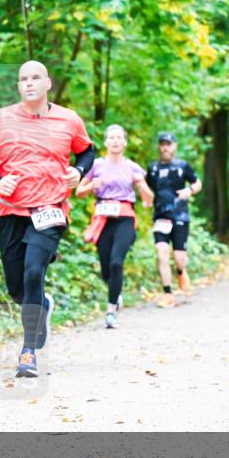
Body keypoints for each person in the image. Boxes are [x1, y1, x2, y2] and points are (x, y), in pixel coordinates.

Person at [0, 60, 95, 377]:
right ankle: (42, 305)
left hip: (50, 209)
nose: (29, 83)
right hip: (10, 210)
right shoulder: (1, 119)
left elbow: (87, 152)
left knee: (32, 271)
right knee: (17, 287)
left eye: (35, 77)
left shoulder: (69, 120)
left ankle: (28, 353)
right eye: (23, 78)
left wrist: (78, 171)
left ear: (47, 83)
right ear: (18, 86)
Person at [77, 125, 153, 329]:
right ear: (106, 142)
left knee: (117, 263)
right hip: (103, 218)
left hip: (125, 217)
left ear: (125, 142)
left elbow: (148, 199)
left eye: (119, 137)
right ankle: (115, 292)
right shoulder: (96, 165)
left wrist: (142, 185)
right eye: (112, 137)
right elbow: (79, 192)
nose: (116, 141)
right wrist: (92, 185)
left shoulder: (133, 167)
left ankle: (111, 312)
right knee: (106, 268)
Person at [145, 132, 202, 308]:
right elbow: (147, 189)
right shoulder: (153, 168)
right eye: (162, 144)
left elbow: (197, 183)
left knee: (179, 258)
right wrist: (147, 200)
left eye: (168, 144)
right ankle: (168, 294)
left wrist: (189, 190)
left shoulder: (183, 166)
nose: (165, 147)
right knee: (161, 253)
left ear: (174, 146)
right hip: (161, 217)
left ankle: (181, 271)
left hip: (180, 216)